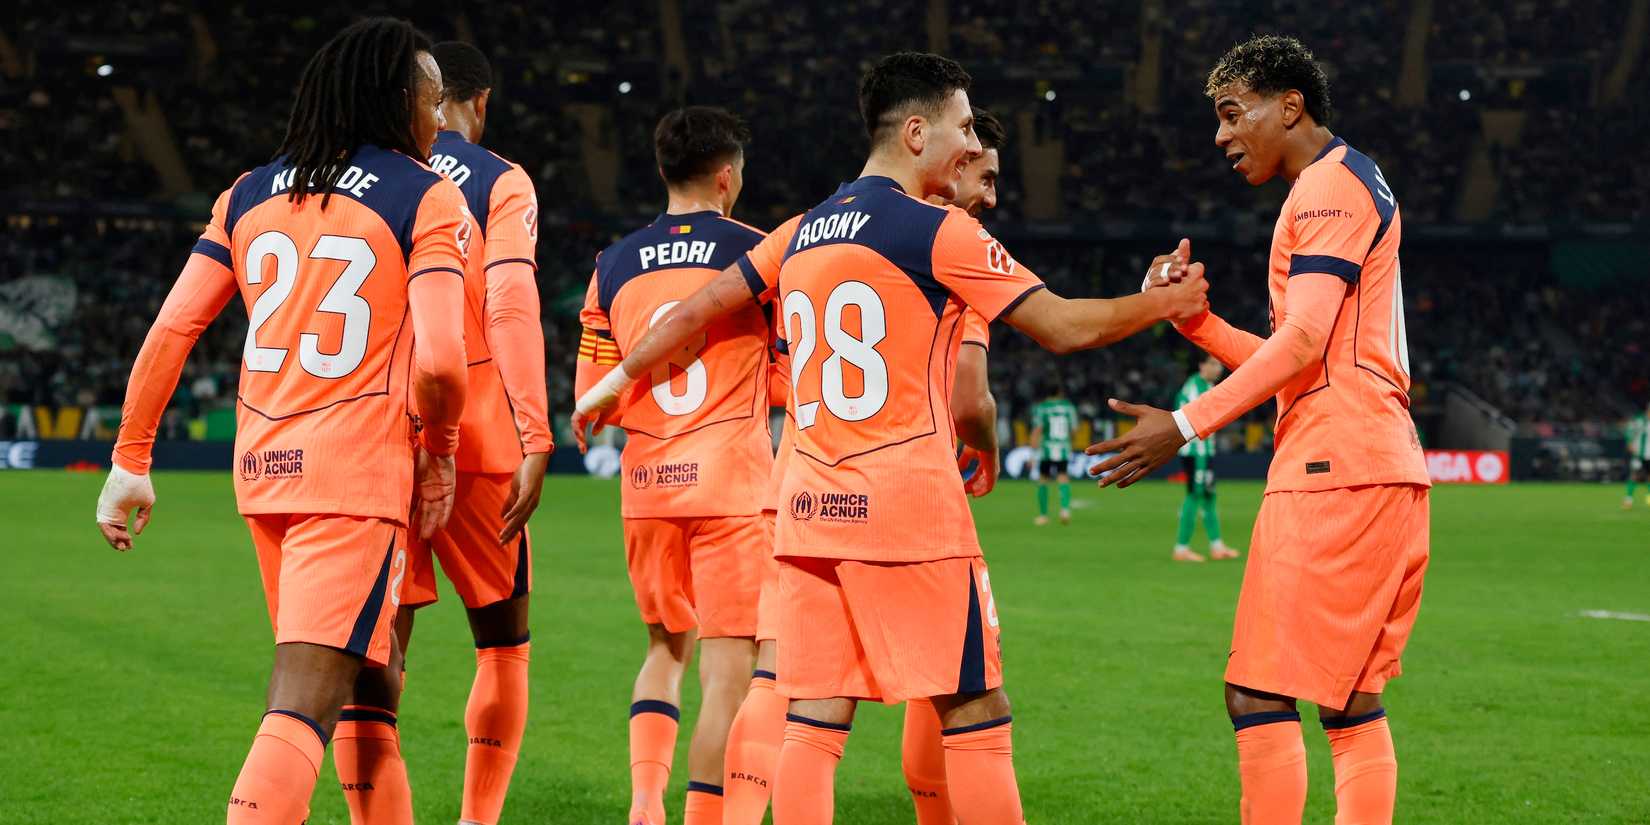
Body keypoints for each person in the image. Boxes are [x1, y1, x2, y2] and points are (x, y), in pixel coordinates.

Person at [573, 51, 1208, 824]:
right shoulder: (938, 231)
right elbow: (1064, 326)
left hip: (807, 511)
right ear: (916, 132)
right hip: (908, 510)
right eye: (963, 127)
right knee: (974, 707)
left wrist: (610, 382)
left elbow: (692, 312)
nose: (971, 144)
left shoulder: (797, 230)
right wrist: (1163, 304)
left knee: (812, 719)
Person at [94, 18, 469, 824]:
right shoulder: (425, 194)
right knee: (305, 697)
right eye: (433, 99)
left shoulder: (246, 192)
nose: (441, 119)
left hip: (266, 472)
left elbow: (173, 328)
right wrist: (440, 451)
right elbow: (442, 363)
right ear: (396, 98)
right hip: (355, 475)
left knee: (369, 681)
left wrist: (130, 460)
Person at [1090, 35, 1431, 825]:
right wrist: (1196, 320)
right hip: (1379, 464)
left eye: (1232, 112)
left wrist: (1184, 423)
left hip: (1334, 471)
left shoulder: (1326, 188)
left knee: (1257, 691)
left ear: (1290, 106)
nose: (1221, 134)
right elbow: (1301, 356)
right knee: (1349, 701)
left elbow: (1302, 344)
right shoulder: (1352, 178)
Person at [572, 106, 771, 825]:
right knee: (729, 672)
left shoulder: (612, 265)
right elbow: (789, 376)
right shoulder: (759, 255)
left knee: (664, 648)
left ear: (664, 171)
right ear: (727, 177)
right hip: (730, 486)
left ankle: (644, 803)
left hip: (649, 487)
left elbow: (592, 396)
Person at [394, 40, 552, 825]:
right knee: (502, 641)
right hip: (480, 436)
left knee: (376, 649)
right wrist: (535, 432)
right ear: (479, 102)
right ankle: (476, 819)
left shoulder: (378, 175)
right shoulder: (499, 180)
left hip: (381, 437)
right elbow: (511, 304)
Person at [1172, 354, 1240, 562]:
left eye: (1219, 364)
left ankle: (1217, 546)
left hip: (1205, 450)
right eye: (1213, 363)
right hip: (1196, 452)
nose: (1218, 368)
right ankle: (1181, 548)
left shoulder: (1207, 386)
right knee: (1194, 495)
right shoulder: (1194, 388)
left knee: (1209, 496)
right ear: (1201, 365)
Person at [1028, 381, 1079, 526]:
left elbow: (1037, 430)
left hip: (1047, 448)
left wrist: (1032, 453)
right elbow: (1074, 430)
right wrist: (1070, 441)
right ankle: (1065, 510)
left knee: (1043, 479)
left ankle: (1043, 516)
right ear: (1060, 392)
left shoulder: (1042, 408)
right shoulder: (1068, 407)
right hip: (1063, 447)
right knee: (1063, 477)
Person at [1623, 402, 1649, 508]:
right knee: (1634, 475)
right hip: (1638, 453)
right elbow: (1629, 432)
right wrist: (1629, 443)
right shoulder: (1639, 420)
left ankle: (1649, 497)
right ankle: (1628, 499)